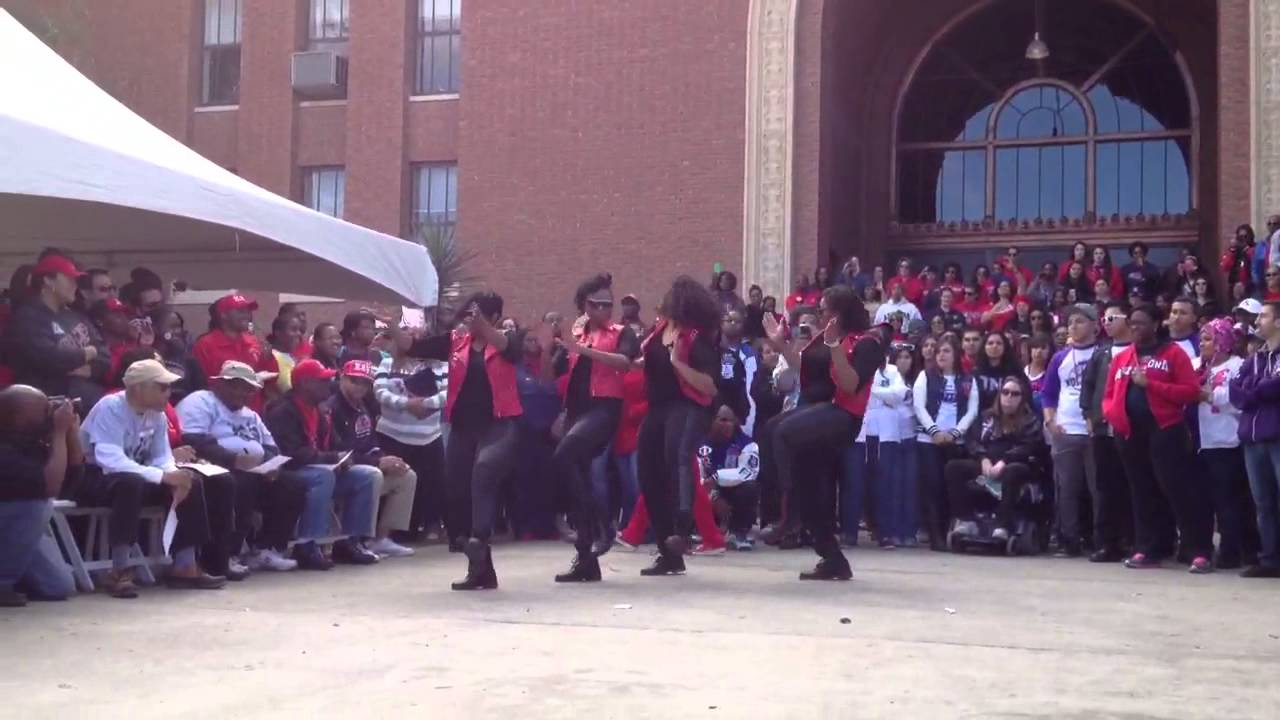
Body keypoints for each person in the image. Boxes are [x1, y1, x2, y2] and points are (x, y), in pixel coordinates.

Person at [406, 292, 527, 590]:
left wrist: (482, 324)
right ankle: (481, 571)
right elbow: (411, 346)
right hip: (462, 428)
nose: (468, 321)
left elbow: (506, 347)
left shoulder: (509, 339)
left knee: (484, 472)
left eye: (475, 315)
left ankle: (480, 537)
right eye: (467, 315)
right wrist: (391, 326)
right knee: (458, 490)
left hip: (499, 426)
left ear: (494, 317)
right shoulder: (456, 342)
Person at [76, 359, 226, 597]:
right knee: (129, 482)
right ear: (137, 388)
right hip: (94, 477)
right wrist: (162, 476)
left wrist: (173, 475)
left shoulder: (156, 414)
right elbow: (110, 459)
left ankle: (185, 565)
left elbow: (161, 456)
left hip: (135, 474)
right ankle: (119, 570)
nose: (168, 392)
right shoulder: (110, 407)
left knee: (190, 480)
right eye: (162, 387)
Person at [762, 284, 882, 580]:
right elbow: (804, 369)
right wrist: (780, 345)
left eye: (824, 309)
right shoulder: (826, 339)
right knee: (809, 486)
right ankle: (831, 557)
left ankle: (785, 517)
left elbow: (850, 384)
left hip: (843, 416)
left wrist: (835, 349)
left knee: (783, 431)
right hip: (819, 413)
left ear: (838, 313)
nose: (819, 312)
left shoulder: (867, 343)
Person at [1103, 305, 1213, 572]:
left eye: (1141, 323)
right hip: (1130, 434)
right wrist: (1113, 415)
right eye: (1132, 323)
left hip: (1165, 431)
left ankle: (1198, 550)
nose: (1135, 328)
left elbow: (1190, 391)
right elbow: (1107, 394)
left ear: (1155, 325)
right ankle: (1148, 548)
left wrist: (1150, 385)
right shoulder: (1122, 357)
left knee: (1177, 490)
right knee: (1141, 492)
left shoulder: (1172, 354)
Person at [549, 273, 641, 583]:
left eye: (608, 305)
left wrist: (583, 350)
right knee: (581, 474)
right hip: (576, 412)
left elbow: (625, 363)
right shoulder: (577, 332)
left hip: (605, 410)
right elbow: (560, 373)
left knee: (564, 456)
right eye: (596, 304)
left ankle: (601, 525)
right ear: (584, 306)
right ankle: (587, 557)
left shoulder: (621, 332)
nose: (604, 310)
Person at [176, 361, 304, 576]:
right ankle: (228, 553)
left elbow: (270, 445)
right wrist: (232, 459)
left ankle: (266, 549)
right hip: (211, 469)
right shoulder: (200, 401)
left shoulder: (250, 414)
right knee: (242, 483)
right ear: (221, 385)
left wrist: (270, 464)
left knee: (292, 484)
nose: (245, 393)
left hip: (252, 469)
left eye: (249, 389)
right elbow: (192, 439)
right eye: (239, 387)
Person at [633, 277, 721, 576]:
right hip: (657, 408)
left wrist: (678, 364)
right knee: (647, 471)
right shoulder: (657, 332)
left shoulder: (696, 338)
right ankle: (667, 551)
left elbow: (709, 386)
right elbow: (643, 364)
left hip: (687, 406)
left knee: (677, 456)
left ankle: (682, 529)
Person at [264, 358, 381, 570]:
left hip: (318, 468)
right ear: (305, 384)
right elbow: (291, 454)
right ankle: (307, 546)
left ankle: (349, 542)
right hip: (290, 474)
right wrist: (332, 459)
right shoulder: (283, 410)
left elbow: (336, 445)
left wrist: (343, 458)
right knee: (323, 476)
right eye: (322, 380)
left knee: (367, 475)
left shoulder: (320, 410)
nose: (329, 384)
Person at [326, 359, 417, 559]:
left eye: (365, 383)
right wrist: (377, 463)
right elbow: (340, 451)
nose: (360, 387)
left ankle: (381, 539)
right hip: (340, 472)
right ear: (342, 378)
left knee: (406, 474)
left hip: (365, 465)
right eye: (354, 381)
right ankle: (357, 540)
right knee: (372, 475)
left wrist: (386, 459)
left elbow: (371, 444)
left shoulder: (363, 406)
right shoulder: (332, 408)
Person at [0, 387, 79, 607]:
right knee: (36, 505)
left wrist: (70, 432)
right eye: (44, 409)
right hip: (13, 521)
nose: (50, 413)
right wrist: (59, 432)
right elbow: (50, 487)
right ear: (19, 418)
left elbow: (74, 472)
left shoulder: (30, 441)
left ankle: (16, 575)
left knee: (58, 586)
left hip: (17, 530)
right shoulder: (5, 450)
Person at [1194, 318, 1260, 570]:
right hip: (1205, 441)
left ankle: (1237, 550)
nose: (1203, 343)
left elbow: (1239, 401)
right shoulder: (1200, 367)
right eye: (1201, 339)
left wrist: (1210, 395)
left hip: (1229, 441)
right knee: (1214, 500)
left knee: (1232, 501)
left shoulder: (1238, 366)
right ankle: (1221, 547)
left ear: (1223, 341)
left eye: (1209, 339)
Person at [5, 254, 109, 412]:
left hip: (89, 406)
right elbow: (51, 358)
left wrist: (87, 367)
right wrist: (87, 352)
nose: (75, 285)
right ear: (48, 280)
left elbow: (105, 356)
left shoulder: (75, 315)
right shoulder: (27, 317)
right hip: (47, 411)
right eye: (70, 279)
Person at [944, 376, 1044, 540]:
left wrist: (1004, 461)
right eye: (1005, 392)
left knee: (1013, 471)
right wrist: (982, 458)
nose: (1009, 398)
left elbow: (1029, 446)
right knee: (954, 467)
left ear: (1022, 398)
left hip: (1015, 465)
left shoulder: (1030, 420)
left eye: (1014, 394)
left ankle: (1002, 525)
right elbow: (972, 440)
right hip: (986, 463)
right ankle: (966, 520)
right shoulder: (986, 417)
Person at [375, 324, 448, 544]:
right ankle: (392, 533)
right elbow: (379, 391)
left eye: (417, 336)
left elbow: (449, 392)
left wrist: (425, 404)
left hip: (429, 437)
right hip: (391, 436)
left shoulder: (439, 366)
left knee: (431, 485)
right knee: (395, 482)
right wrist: (406, 404)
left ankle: (430, 525)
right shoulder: (387, 362)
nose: (411, 339)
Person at [1042, 304, 1100, 557]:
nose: (1073, 327)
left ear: (1094, 325)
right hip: (1066, 428)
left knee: (1099, 489)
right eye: (1071, 322)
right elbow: (1048, 393)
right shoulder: (1060, 357)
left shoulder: (1103, 353)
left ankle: (1102, 539)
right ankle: (1069, 539)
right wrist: (1050, 421)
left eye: (1080, 321)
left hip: (1095, 430)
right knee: (1067, 489)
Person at [1079, 302, 1135, 562]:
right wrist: (1089, 416)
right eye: (1104, 318)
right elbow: (1088, 386)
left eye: (1113, 317)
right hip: (1102, 429)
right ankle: (1106, 543)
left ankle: (1134, 541)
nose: (1107, 322)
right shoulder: (1101, 353)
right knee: (1105, 487)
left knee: (1133, 485)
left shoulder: (1138, 350)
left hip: (1130, 429)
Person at [913, 336, 980, 551]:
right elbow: (919, 406)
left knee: (949, 488)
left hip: (955, 441)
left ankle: (950, 532)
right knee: (932, 488)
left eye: (946, 351)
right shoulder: (925, 376)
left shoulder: (968, 380)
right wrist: (934, 431)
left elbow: (972, 410)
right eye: (939, 351)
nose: (941, 355)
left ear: (956, 355)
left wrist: (955, 432)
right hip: (928, 440)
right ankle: (935, 536)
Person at [1230, 301, 1280, 578]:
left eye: (1263, 316)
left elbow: (1275, 386)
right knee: (1263, 502)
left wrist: (1255, 390)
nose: (1257, 321)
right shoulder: (1255, 358)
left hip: (1276, 436)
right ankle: (1270, 559)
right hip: (1252, 437)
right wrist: (1258, 390)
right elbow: (1235, 389)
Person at [846, 344, 908, 548]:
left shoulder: (891, 370)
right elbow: (852, 392)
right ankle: (849, 532)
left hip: (886, 433)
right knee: (854, 484)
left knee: (884, 485)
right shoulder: (853, 370)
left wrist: (872, 389)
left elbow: (899, 394)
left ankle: (885, 533)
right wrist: (884, 396)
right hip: (859, 431)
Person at [699, 403, 761, 550]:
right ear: (713, 421)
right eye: (722, 420)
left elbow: (748, 472)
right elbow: (697, 474)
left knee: (751, 487)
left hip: (733, 492)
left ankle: (738, 533)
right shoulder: (701, 444)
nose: (727, 424)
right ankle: (699, 530)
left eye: (730, 420)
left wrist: (716, 478)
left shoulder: (747, 444)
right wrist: (713, 497)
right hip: (708, 494)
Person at [192, 294, 264, 394]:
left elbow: (264, 373)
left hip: (254, 406)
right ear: (224, 315)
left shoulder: (253, 341)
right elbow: (201, 382)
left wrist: (268, 359)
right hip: (220, 405)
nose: (247, 315)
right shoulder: (205, 345)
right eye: (240, 311)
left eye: (248, 311)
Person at [716, 308, 758, 434]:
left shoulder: (749, 354)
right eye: (729, 320)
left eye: (737, 321)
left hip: (739, 417)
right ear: (721, 323)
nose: (733, 323)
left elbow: (751, 390)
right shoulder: (711, 350)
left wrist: (747, 423)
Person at [259, 313, 307, 402]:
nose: (298, 334)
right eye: (293, 330)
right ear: (278, 332)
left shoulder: (295, 358)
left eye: (299, 330)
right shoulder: (270, 357)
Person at [974, 330, 1024, 410]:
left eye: (999, 343)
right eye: (990, 343)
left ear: (1005, 347)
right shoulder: (975, 372)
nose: (994, 346)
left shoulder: (1015, 372)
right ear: (984, 347)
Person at [1221, 224, 1256, 296]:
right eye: (1240, 237)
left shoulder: (1256, 248)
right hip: (1234, 287)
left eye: (1245, 236)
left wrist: (1247, 249)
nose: (1243, 239)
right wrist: (1232, 249)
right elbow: (1225, 267)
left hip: (1251, 286)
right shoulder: (1233, 250)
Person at [1024, 333, 1052, 411]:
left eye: (1043, 348)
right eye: (1035, 347)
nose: (1039, 351)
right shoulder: (1020, 372)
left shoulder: (1051, 375)